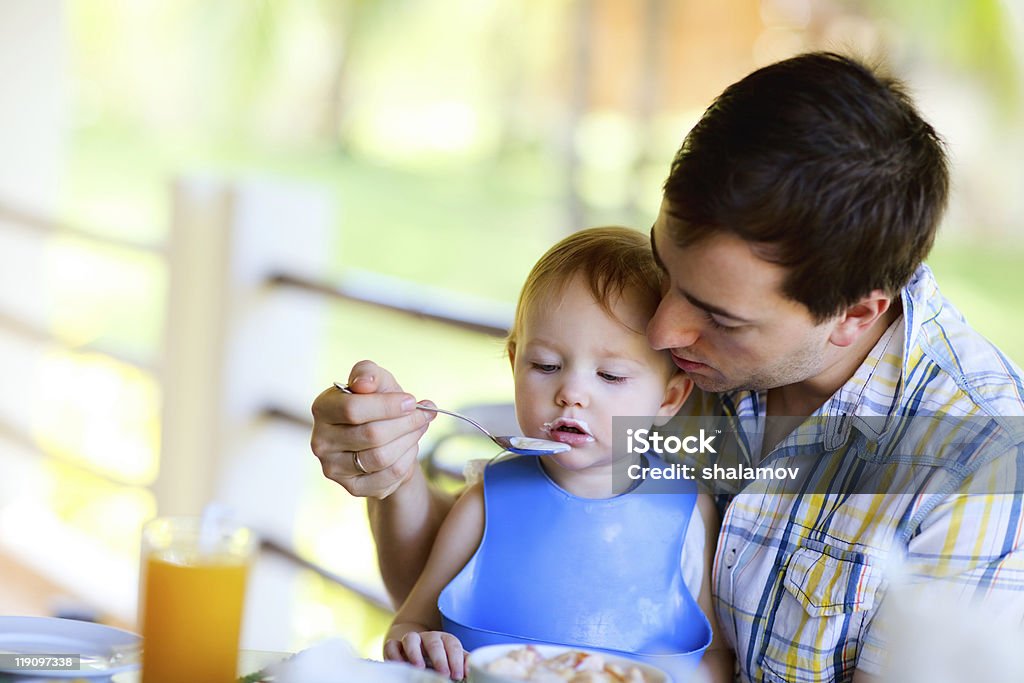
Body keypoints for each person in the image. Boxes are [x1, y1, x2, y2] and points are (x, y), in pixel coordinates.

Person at [310, 52, 1024, 683]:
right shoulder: (674, 367)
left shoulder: (972, 466)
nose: (661, 328)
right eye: (666, 267)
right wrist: (390, 474)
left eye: (718, 314)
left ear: (857, 315)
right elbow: (497, 572)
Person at [380, 227, 728, 681]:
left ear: (669, 399)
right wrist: (421, 641)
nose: (571, 393)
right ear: (514, 364)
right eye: (545, 366)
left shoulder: (689, 513)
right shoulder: (486, 502)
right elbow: (410, 624)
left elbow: (715, 656)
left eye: (611, 374)